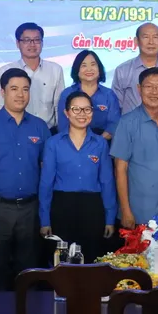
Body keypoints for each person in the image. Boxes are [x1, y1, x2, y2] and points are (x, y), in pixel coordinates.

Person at [0, 68, 50, 291]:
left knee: (30, 274)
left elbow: (46, 171)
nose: (20, 94)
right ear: (3, 91)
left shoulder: (40, 126)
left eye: (25, 89)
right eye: (14, 89)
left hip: (30, 210)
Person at [39, 91, 116, 264]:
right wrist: (44, 220)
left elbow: (107, 182)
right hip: (62, 207)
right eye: (76, 109)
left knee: (91, 261)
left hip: (92, 208)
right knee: (62, 263)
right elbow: (46, 183)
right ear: (66, 113)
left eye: (87, 109)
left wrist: (110, 218)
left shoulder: (100, 143)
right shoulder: (54, 143)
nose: (82, 114)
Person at [111, 67, 158, 227]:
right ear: (139, 89)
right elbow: (120, 169)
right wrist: (126, 211)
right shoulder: (127, 123)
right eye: (148, 86)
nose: (154, 92)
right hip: (139, 213)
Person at [0, 23, 65, 134]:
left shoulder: (55, 70)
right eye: (27, 40)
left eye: (36, 40)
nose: (32, 44)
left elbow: (59, 107)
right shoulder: (5, 70)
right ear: (18, 43)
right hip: (14, 131)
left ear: (42, 43)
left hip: (48, 132)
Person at [112, 23, 158, 122]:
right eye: (146, 37)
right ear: (136, 41)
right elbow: (115, 108)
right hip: (131, 128)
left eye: (155, 37)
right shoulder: (122, 70)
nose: (151, 42)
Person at [56, 50, 120, 140]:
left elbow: (113, 125)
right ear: (77, 70)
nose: (89, 69)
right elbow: (63, 126)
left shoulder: (109, 95)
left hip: (103, 141)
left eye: (93, 64)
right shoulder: (67, 94)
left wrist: (97, 143)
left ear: (99, 69)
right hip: (71, 142)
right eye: (84, 65)